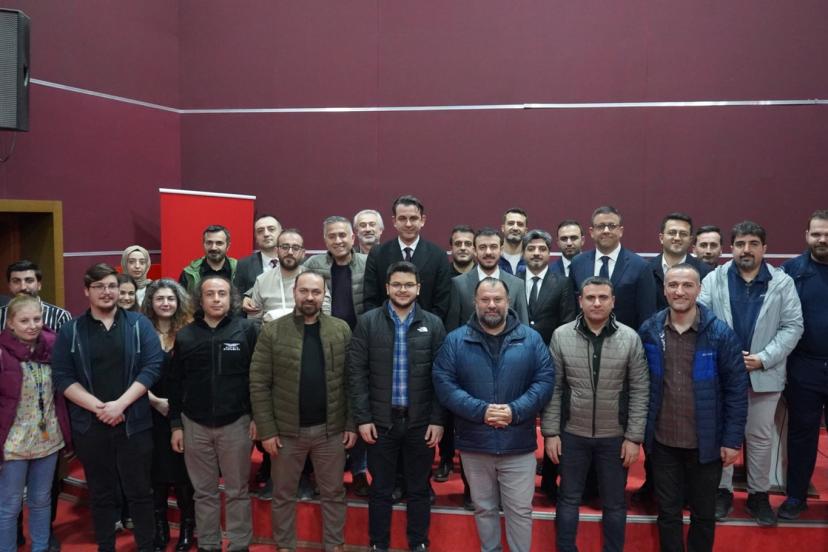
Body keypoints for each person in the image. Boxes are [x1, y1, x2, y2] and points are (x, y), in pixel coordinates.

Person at [433, 277, 554, 552]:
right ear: (475, 302)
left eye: (497, 299)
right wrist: (482, 411)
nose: (491, 305)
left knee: (520, 511)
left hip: (517, 444)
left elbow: (545, 381)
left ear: (508, 302)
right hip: (475, 443)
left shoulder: (531, 339)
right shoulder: (455, 340)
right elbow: (444, 384)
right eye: (485, 299)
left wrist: (514, 411)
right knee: (484, 508)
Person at [698, 221, 803, 526]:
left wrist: (763, 358)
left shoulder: (781, 283)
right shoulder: (714, 279)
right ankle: (722, 492)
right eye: (741, 244)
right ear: (731, 248)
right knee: (721, 433)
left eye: (753, 244)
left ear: (764, 248)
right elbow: (701, 318)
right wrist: (728, 357)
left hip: (764, 373)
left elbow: (793, 326)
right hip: (721, 373)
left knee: (759, 437)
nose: (746, 249)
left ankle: (758, 495)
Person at [52, 263, 163, 552]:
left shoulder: (139, 325)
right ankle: (105, 546)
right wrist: (100, 408)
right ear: (86, 291)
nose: (107, 292)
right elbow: (62, 376)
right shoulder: (71, 330)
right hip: (90, 426)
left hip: (134, 423)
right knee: (101, 494)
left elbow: (152, 367)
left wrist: (120, 405)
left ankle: (146, 546)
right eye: (99, 286)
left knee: (140, 492)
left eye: (112, 286)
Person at [640, 264, 748, 552]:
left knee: (703, 515)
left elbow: (736, 391)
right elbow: (639, 386)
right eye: (673, 285)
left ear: (699, 290)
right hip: (662, 442)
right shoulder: (649, 331)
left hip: (706, 444)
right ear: (664, 290)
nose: (679, 291)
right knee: (668, 514)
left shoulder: (720, 334)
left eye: (687, 285)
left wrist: (731, 440)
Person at [250, 271, 355, 552]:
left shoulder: (341, 329)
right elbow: (259, 382)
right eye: (304, 291)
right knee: (283, 493)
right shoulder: (273, 331)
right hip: (286, 432)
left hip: (331, 431)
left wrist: (350, 423)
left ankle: (335, 545)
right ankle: (285, 545)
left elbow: (351, 381)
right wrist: (267, 431)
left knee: (333, 492)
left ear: (324, 295)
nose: (309, 297)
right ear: (294, 292)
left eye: (316, 292)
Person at [542, 276, 649, 552]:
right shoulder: (561, 335)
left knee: (614, 503)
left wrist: (634, 437)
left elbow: (640, 390)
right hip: (572, 434)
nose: (597, 303)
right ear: (580, 301)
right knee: (568, 499)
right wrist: (551, 433)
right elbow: (553, 388)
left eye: (603, 297)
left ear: (613, 301)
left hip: (615, 436)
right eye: (590, 298)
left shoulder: (630, 338)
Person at [349, 261, 446, 552]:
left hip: (421, 423)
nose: (403, 290)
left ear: (418, 288)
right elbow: (356, 374)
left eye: (408, 285)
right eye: (397, 285)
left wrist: (438, 420)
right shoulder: (368, 322)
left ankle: (419, 542)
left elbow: (442, 377)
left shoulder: (434, 324)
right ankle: (378, 543)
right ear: (387, 287)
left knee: (418, 488)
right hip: (381, 423)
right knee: (380, 489)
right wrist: (363, 418)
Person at [168, 275, 258, 552]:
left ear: (231, 298)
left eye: (222, 293)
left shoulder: (247, 330)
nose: (216, 299)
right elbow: (175, 383)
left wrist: (257, 417)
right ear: (200, 299)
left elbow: (258, 379)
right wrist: (176, 425)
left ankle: (239, 544)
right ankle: (208, 543)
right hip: (194, 424)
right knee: (203, 491)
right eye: (210, 294)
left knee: (237, 490)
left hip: (237, 423)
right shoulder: (185, 336)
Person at [0, 295, 71, 552]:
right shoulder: (2, 353)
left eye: (37, 319)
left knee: (41, 500)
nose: (32, 325)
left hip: (47, 437)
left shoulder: (53, 347)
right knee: (9, 506)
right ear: (10, 323)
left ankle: (41, 547)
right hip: (13, 442)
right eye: (24, 320)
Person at [304, 216, 370, 496]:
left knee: (359, 406)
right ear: (325, 240)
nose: (338, 240)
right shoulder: (313, 265)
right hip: (325, 342)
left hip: (361, 343)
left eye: (343, 235)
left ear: (353, 237)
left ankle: (359, 470)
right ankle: (326, 471)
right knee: (330, 408)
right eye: (332, 236)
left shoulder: (368, 264)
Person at [778, 209, 828, 519]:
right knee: (802, 435)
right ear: (807, 235)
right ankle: (796, 496)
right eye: (817, 234)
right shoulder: (790, 272)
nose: (822, 239)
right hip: (804, 367)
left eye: (827, 234)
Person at [522, 229, 576, 502]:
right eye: (531, 249)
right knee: (520, 419)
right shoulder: (512, 280)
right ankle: (520, 477)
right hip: (517, 361)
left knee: (554, 419)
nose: (536, 253)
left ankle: (550, 480)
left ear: (548, 252)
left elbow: (567, 321)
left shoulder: (562, 283)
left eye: (542, 249)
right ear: (523, 253)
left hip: (551, 362)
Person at [141, 279, 196, 551]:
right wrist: (153, 401)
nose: (165, 303)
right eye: (160, 298)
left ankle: (187, 528)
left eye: (170, 298)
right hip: (148, 410)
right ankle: (160, 528)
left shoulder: (189, 331)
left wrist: (175, 406)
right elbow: (131, 373)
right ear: (150, 302)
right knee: (155, 473)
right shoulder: (140, 331)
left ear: (179, 302)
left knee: (183, 473)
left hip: (183, 413)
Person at [363, 195, 451, 319]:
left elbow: (442, 302)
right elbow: (370, 300)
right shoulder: (378, 254)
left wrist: (427, 326)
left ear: (422, 220)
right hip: (384, 326)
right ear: (394, 221)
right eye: (402, 218)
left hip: (426, 327)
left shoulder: (438, 255)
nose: (408, 224)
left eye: (413, 218)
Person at [569, 205, 657, 330]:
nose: (606, 230)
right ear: (591, 232)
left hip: (625, 339)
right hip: (583, 337)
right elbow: (572, 309)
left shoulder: (640, 266)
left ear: (621, 231)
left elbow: (647, 315)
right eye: (600, 226)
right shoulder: (577, 263)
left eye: (611, 226)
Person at [445, 228, 529, 331]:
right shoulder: (458, 284)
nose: (488, 252)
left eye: (493, 247)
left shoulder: (517, 284)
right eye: (482, 247)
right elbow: (452, 328)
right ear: (475, 251)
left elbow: (524, 328)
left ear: (501, 250)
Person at [244, 228, 330, 323]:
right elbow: (253, 320)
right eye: (285, 247)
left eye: (295, 248)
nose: (290, 252)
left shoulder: (316, 280)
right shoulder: (262, 281)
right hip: (270, 331)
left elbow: (326, 315)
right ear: (277, 251)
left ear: (302, 253)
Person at [648, 213, 711, 311]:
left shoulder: (705, 272)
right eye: (672, 233)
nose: (677, 238)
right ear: (661, 238)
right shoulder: (646, 270)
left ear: (690, 240)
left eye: (683, 234)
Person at [0, 260, 71, 331]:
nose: (23, 287)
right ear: (9, 286)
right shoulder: (0, 314)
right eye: (16, 281)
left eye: (29, 281)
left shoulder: (59, 316)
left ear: (39, 285)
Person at [178, 225, 238, 295]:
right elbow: (181, 300)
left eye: (219, 243)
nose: (213, 248)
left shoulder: (239, 269)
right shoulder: (188, 274)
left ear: (228, 246)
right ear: (204, 244)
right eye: (209, 243)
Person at [233, 214, 282, 297]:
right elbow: (237, 296)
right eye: (260, 231)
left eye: (271, 229)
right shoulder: (244, 265)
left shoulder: (297, 262)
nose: (266, 234)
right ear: (256, 237)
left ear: (281, 233)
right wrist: (244, 300)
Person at [499, 208, 528, 276]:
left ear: (526, 231)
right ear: (503, 228)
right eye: (511, 223)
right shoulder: (494, 258)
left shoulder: (531, 260)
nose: (515, 228)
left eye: (520, 224)